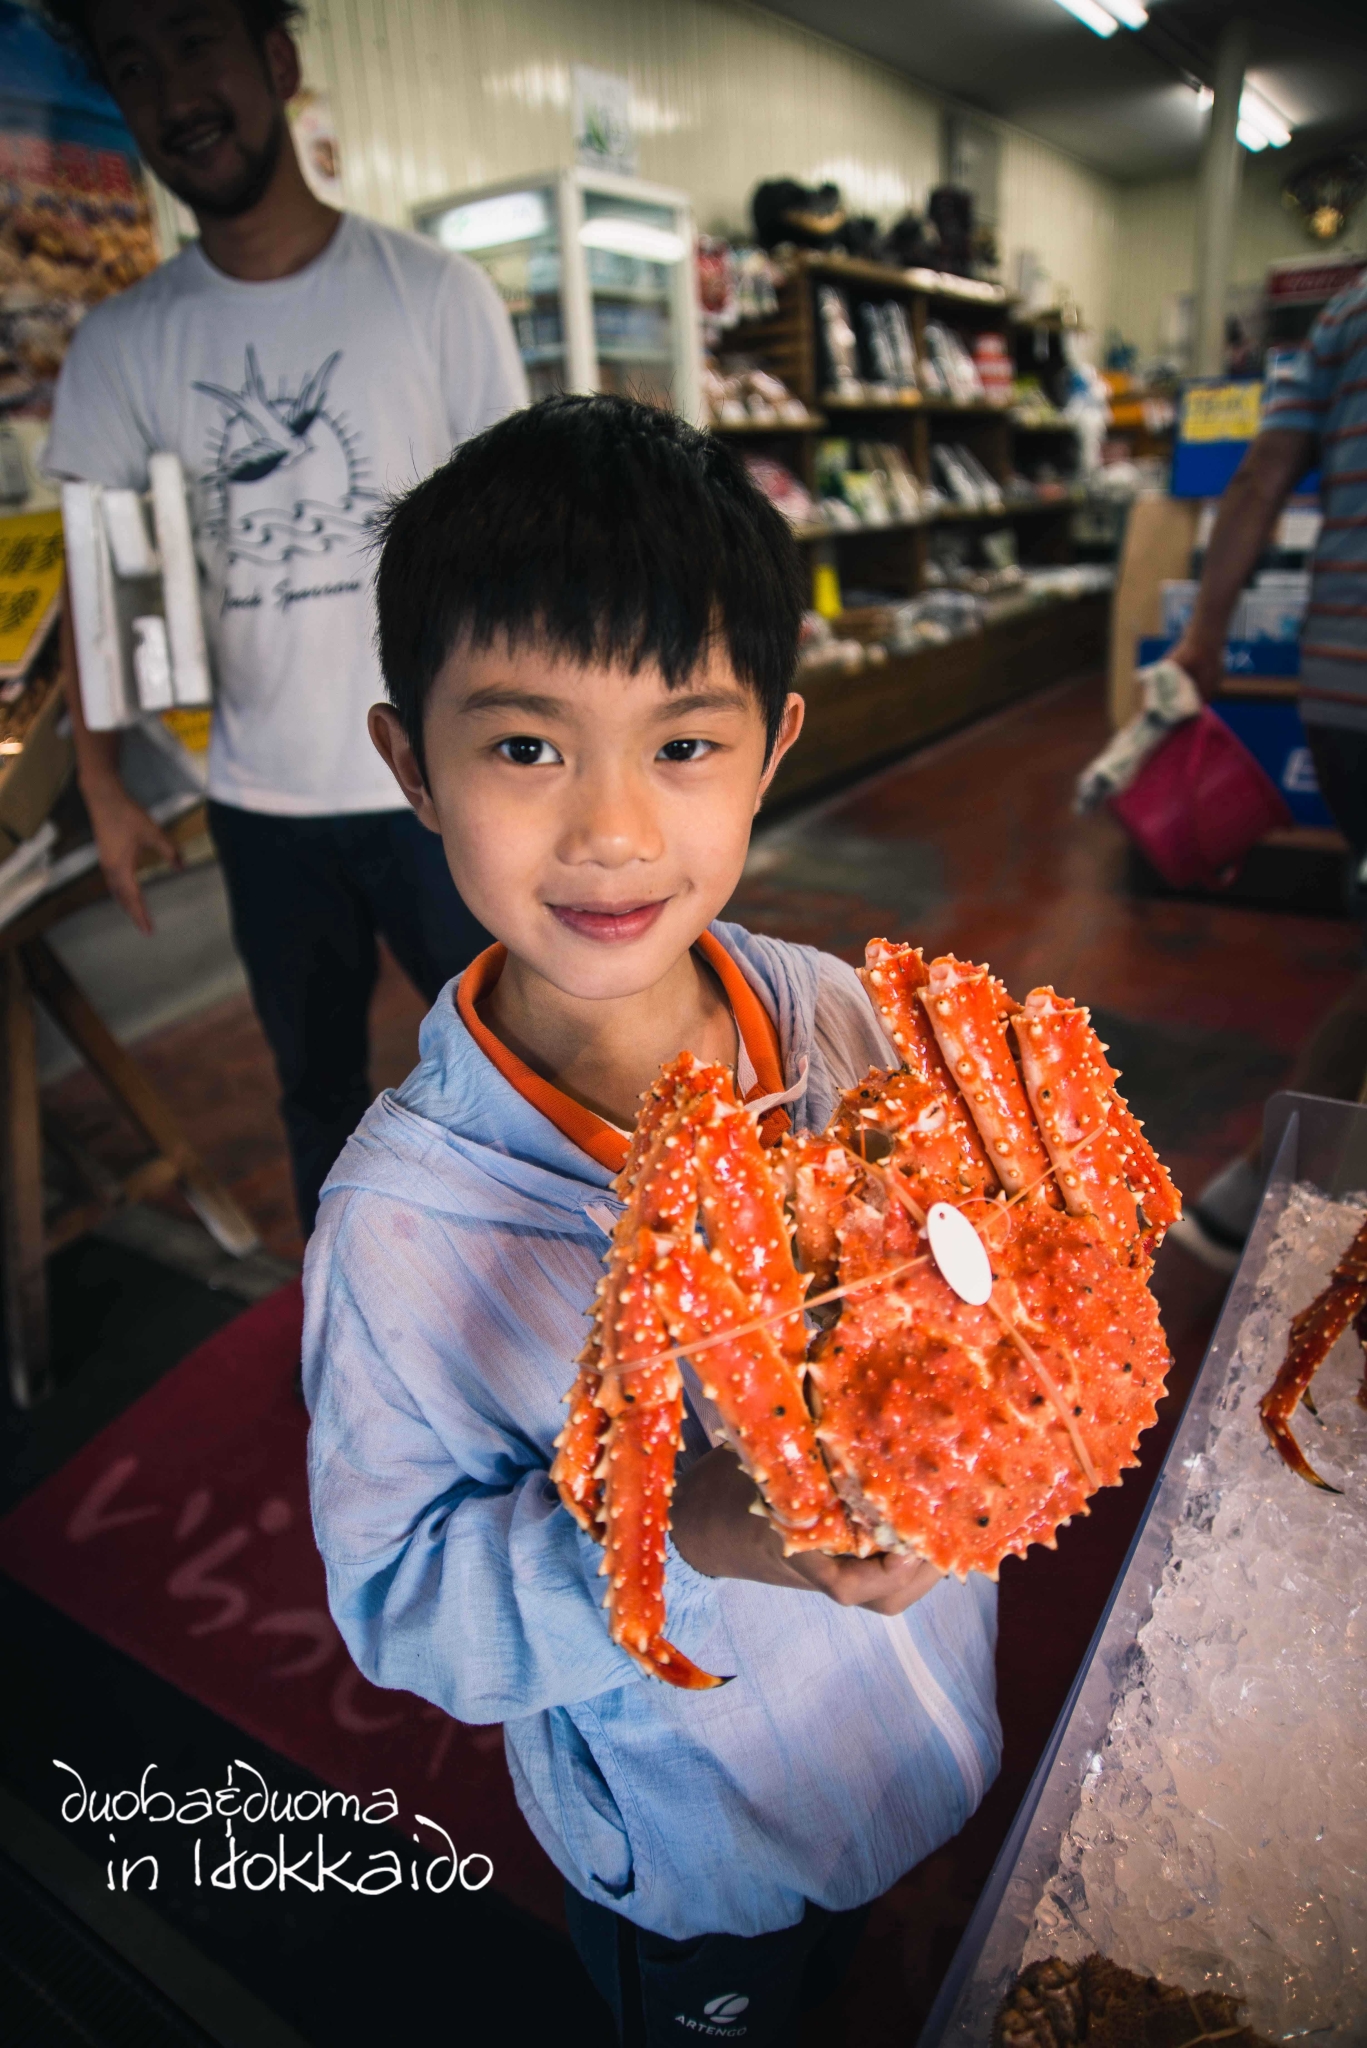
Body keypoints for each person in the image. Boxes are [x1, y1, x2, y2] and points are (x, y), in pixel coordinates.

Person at [302, 397, 1000, 2046]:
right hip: (689, 1848)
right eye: (526, 745)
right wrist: (685, 1519)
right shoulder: (396, 1232)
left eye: (682, 742)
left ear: (772, 743)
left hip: (932, 1725)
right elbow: (403, 1600)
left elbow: (975, 1268)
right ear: (412, 762)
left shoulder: (836, 1017)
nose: (611, 829)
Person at [42, 0, 527, 1232]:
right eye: (133, 66)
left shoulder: (432, 297)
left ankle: (560, 1325)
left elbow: (519, 556)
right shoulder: (123, 342)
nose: (172, 93)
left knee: (515, 1069)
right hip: (260, 802)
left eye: (194, 43)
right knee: (316, 1095)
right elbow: (100, 578)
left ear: (278, 58)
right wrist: (101, 782)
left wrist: (539, 764)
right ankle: (345, 1331)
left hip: (441, 786)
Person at [1170, 270, 1367, 1270]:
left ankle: (1251, 1187)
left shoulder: (1341, 316)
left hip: (1340, 696)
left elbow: (1258, 475)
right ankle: (1282, 1215)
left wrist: (1203, 635)